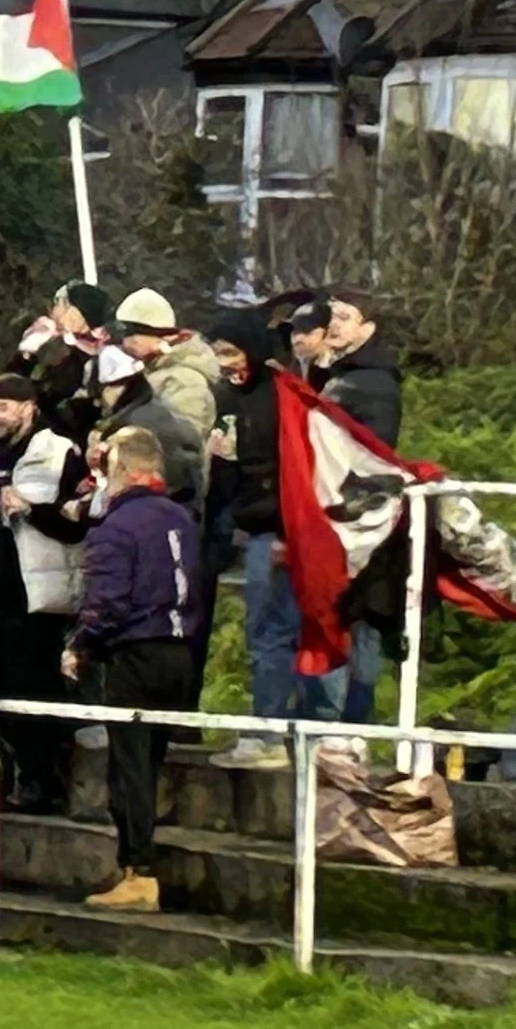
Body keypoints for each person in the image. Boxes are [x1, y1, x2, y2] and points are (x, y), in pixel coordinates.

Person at [65, 427, 209, 914]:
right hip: (180, 651)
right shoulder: (182, 519)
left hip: (136, 652)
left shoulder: (118, 528)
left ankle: (139, 872)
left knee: (129, 767)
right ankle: (139, 867)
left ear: (123, 470)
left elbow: (107, 601)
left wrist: (81, 644)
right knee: (150, 761)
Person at [0, 376, 91, 811]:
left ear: (27, 408)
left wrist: (32, 511)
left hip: (38, 596)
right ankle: (4, 778)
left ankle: (43, 780)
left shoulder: (59, 452)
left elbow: (78, 522)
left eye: (4, 407)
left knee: (37, 689)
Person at [307, 289, 403, 723]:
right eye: (331, 315)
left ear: (369, 328)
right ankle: (339, 720)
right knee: (346, 620)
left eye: (346, 316)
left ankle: (348, 723)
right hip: (344, 516)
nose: (335, 323)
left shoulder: (371, 383)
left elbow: (371, 453)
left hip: (360, 520)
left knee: (355, 621)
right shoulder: (336, 374)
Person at [206, 310, 294, 769]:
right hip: (242, 522)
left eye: (231, 352)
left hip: (275, 528)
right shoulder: (225, 396)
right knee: (263, 631)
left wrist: (285, 531)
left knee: (272, 631)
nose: (224, 362)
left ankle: (270, 733)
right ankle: (269, 728)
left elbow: (297, 468)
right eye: (218, 353)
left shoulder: (281, 398)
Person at [91, 345, 205, 513]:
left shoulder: (136, 427)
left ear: (115, 387)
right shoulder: (153, 412)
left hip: (157, 516)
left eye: (99, 394)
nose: (99, 402)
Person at [112, 289, 222, 441]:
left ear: (159, 335)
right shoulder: (147, 371)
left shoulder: (186, 381)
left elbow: (183, 443)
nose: (125, 341)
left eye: (130, 332)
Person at [20, 280, 113, 447]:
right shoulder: (60, 349)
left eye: (59, 304)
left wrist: (28, 354)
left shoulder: (83, 359)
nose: (52, 311)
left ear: (74, 313)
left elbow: (51, 403)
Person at [322, 289, 402, 446]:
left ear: (367, 328)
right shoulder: (347, 371)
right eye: (328, 316)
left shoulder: (370, 381)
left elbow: (377, 449)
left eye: (343, 318)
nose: (332, 324)